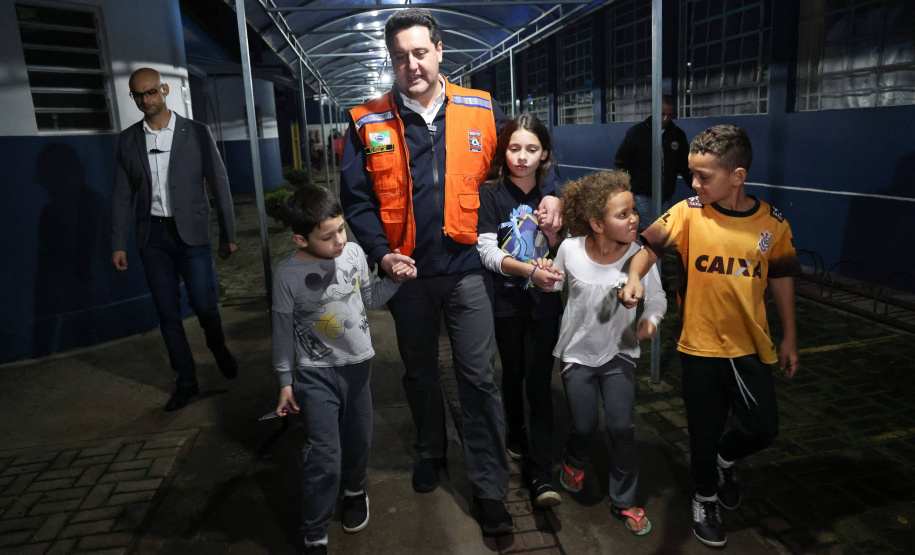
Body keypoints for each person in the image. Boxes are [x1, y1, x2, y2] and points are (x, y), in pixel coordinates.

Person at [339, 8, 561, 535]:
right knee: (418, 371)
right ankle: (430, 449)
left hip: (467, 270)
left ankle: (489, 489)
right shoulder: (366, 120)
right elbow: (356, 199)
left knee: (478, 379)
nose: (411, 64)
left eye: (420, 52)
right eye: (400, 56)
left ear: (439, 51)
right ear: (390, 61)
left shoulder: (480, 108)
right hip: (407, 273)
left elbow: (521, 165)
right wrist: (380, 253)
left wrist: (551, 197)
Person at [619, 125, 800, 547]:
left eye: (704, 176)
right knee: (702, 431)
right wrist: (633, 278)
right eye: (692, 174)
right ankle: (705, 498)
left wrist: (790, 336)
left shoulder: (771, 223)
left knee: (763, 427)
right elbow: (647, 248)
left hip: (749, 346)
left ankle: (724, 460)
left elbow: (783, 280)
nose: (694, 184)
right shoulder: (688, 212)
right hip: (699, 345)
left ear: (737, 176)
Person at [270, 185, 414, 555]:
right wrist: (285, 381)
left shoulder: (353, 254)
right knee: (323, 455)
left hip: (358, 370)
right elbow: (282, 332)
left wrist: (394, 280)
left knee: (358, 440)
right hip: (314, 375)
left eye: (341, 229)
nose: (339, 240)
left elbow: (369, 299)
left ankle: (354, 492)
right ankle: (315, 531)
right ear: (300, 239)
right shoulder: (286, 275)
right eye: (327, 235)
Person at [538, 171, 666, 536]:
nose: (634, 219)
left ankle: (624, 500)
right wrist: (545, 272)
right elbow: (552, 287)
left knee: (621, 428)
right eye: (622, 214)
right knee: (584, 425)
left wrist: (651, 322)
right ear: (596, 222)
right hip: (576, 355)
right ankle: (575, 459)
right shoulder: (570, 249)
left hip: (619, 354)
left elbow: (656, 298)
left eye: (633, 211)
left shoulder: (641, 256)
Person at [111, 68, 238, 412]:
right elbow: (123, 195)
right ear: (133, 97)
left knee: (203, 304)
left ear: (164, 90)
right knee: (167, 313)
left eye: (151, 92)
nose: (146, 100)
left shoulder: (195, 132)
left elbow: (220, 183)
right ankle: (186, 381)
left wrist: (228, 235)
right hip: (152, 237)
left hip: (192, 235)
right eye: (139, 95)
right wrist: (118, 243)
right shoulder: (129, 139)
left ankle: (217, 345)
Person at [476, 114, 564, 507]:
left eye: (531, 149)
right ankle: (514, 432)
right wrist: (530, 269)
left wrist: (552, 234)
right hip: (507, 304)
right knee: (511, 374)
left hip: (544, 305)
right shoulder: (491, 193)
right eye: (514, 148)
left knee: (539, 383)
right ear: (503, 150)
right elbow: (488, 252)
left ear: (544, 153)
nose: (522, 157)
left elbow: (567, 249)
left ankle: (542, 473)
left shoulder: (555, 194)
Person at [614, 94, 692, 230]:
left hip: (666, 195)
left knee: (665, 229)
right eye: (662, 114)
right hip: (642, 194)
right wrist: (621, 188)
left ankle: (653, 250)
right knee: (652, 231)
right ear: (654, 111)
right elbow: (621, 161)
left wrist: (694, 186)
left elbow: (685, 165)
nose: (666, 118)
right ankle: (649, 250)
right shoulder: (637, 133)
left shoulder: (677, 135)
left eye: (669, 115)